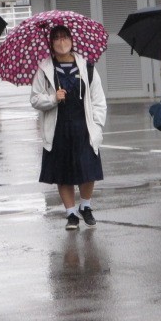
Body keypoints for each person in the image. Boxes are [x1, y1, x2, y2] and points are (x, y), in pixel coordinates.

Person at [30, 25, 107, 230]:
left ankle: (85, 206)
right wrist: (52, 98)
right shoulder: (44, 69)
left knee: (88, 170)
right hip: (58, 128)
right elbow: (35, 99)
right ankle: (71, 213)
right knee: (63, 173)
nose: (61, 41)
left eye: (65, 37)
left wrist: (97, 125)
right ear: (51, 43)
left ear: (72, 41)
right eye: (56, 38)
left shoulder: (87, 67)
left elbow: (98, 100)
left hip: (84, 126)